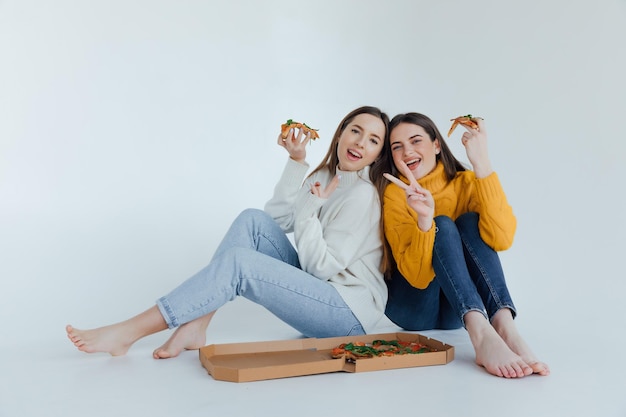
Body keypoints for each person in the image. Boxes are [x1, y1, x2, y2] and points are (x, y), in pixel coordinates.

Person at [66, 106, 391, 359]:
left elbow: (322, 268)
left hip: (348, 315)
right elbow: (275, 221)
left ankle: (129, 331)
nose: (361, 143)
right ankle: (197, 326)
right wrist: (296, 162)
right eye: (355, 131)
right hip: (321, 291)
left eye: (373, 140)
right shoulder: (325, 176)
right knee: (251, 221)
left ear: (378, 155)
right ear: (339, 135)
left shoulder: (363, 195)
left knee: (240, 264)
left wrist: (308, 212)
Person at [381, 112, 549, 378]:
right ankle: (481, 334)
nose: (407, 152)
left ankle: (504, 325)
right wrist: (425, 221)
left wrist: (481, 163)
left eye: (415, 141)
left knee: (470, 221)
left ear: (437, 145)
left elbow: (501, 238)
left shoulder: (466, 182)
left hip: (455, 310)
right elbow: (418, 276)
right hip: (411, 305)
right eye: (397, 147)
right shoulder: (395, 193)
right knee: (442, 224)